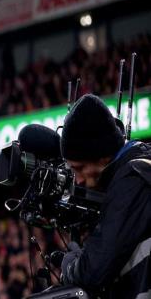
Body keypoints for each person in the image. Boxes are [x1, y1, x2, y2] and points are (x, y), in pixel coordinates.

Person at [60, 94, 151, 298]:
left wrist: (69, 263)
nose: (77, 180)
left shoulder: (132, 179)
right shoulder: (142, 161)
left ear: (102, 155)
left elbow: (93, 272)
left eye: (79, 168)